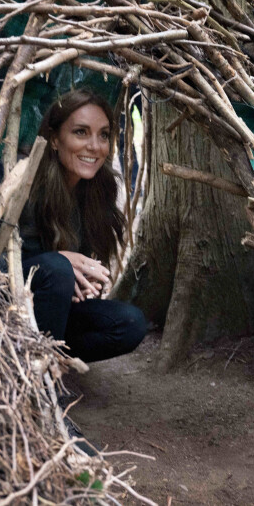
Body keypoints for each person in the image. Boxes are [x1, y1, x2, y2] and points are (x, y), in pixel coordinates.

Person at [19, 89, 147, 363]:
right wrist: (60, 263)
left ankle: (54, 360)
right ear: (54, 139)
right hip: (12, 307)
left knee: (131, 323)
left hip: (58, 313)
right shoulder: (27, 187)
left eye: (103, 135)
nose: (95, 145)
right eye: (81, 132)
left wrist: (86, 282)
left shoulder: (98, 190)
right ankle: (37, 376)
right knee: (56, 269)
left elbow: (88, 261)